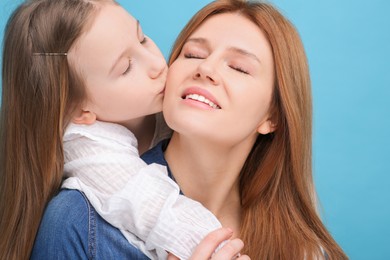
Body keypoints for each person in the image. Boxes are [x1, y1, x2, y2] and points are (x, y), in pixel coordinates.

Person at [0, 0, 246, 259]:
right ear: (80, 112)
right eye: (126, 68)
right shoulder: (75, 219)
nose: (156, 64)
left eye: (142, 39)